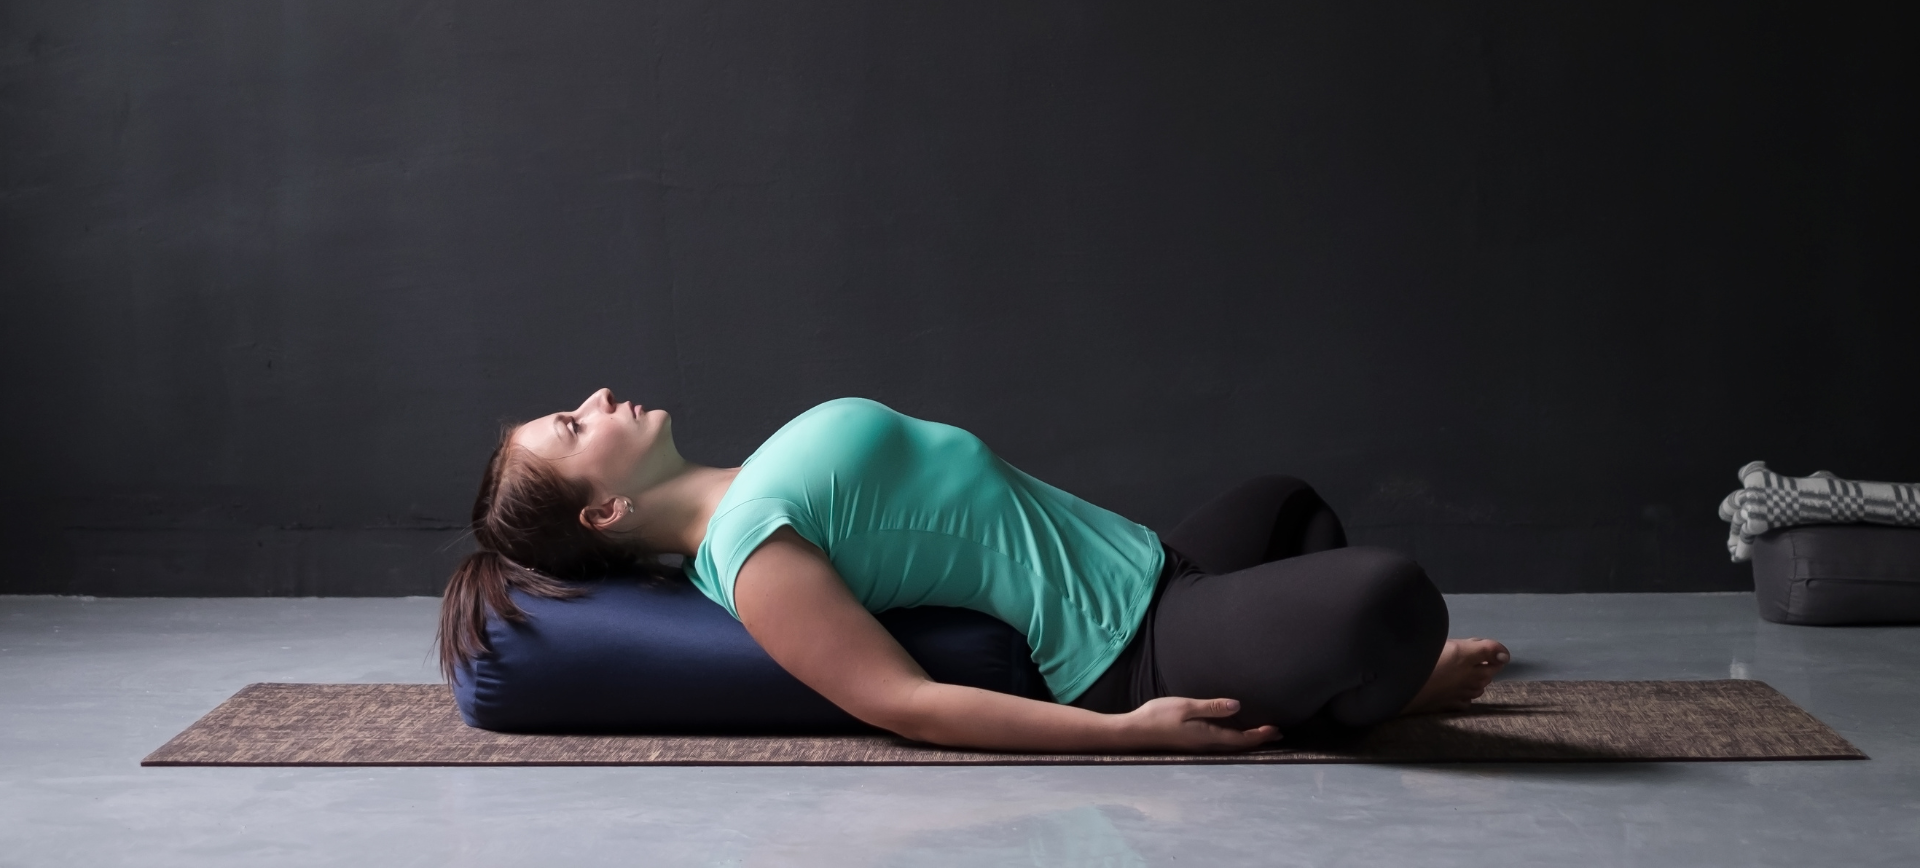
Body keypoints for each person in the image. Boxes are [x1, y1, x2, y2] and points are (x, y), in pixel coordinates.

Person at [437, 391, 1510, 753]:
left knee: (1287, 500)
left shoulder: (750, 484)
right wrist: (1122, 738)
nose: (597, 398)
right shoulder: (748, 553)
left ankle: (1317, 681)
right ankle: (1372, 698)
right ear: (608, 509)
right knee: (1390, 597)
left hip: (1153, 566)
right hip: (1128, 651)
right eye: (574, 426)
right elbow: (899, 701)